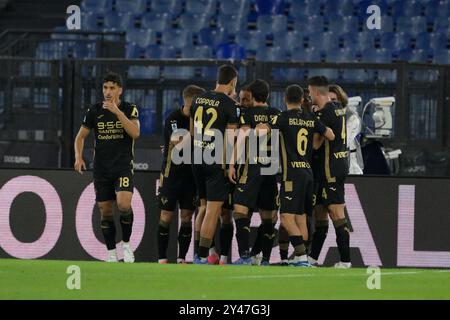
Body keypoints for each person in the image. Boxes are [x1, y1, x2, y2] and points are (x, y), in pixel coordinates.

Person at [261, 84, 334, 267]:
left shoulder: (283, 118)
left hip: (292, 174)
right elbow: (331, 135)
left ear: (285, 99)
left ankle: (300, 256)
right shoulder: (310, 118)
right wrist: (316, 141)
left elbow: (264, 131)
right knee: (300, 216)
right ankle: (303, 257)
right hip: (308, 173)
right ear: (302, 100)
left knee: (286, 217)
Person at [74, 72, 140, 262]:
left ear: (120, 90)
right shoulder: (94, 111)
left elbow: (135, 133)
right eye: (105, 88)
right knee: (105, 210)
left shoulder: (129, 109)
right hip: (102, 169)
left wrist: (117, 112)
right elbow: (80, 137)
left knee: (124, 204)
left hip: (123, 167)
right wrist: (78, 156)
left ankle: (126, 246)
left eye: (112, 88)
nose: (108, 92)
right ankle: (111, 253)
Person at [191, 64, 240, 264]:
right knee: (213, 210)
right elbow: (230, 140)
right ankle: (202, 256)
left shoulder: (197, 99)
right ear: (233, 82)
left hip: (195, 157)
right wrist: (230, 166)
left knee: (202, 207)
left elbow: (192, 131)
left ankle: (197, 253)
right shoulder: (230, 106)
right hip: (215, 161)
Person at [229, 79, 281, 266]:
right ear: (267, 95)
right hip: (271, 168)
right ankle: (264, 258)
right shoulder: (277, 114)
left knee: (241, 211)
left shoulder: (247, 114)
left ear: (251, 96)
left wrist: (232, 164)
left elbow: (242, 138)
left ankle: (244, 256)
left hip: (251, 168)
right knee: (270, 217)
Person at [157, 85, 205, 264]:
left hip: (191, 177)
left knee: (186, 218)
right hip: (171, 175)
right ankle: (162, 258)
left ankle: (181, 258)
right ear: (190, 101)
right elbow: (178, 142)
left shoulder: (202, 121)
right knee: (166, 217)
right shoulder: (173, 118)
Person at [307, 76, 351, 268]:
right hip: (336, 164)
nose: (309, 96)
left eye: (309, 92)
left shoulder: (324, 114)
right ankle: (313, 258)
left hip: (330, 167)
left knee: (336, 212)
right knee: (320, 212)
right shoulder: (338, 109)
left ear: (316, 92)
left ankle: (345, 260)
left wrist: (309, 124)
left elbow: (316, 144)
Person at [328, 84, 364, 175]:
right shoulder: (326, 115)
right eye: (328, 100)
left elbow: (342, 142)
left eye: (333, 100)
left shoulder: (352, 118)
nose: (331, 103)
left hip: (350, 166)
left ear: (341, 100)